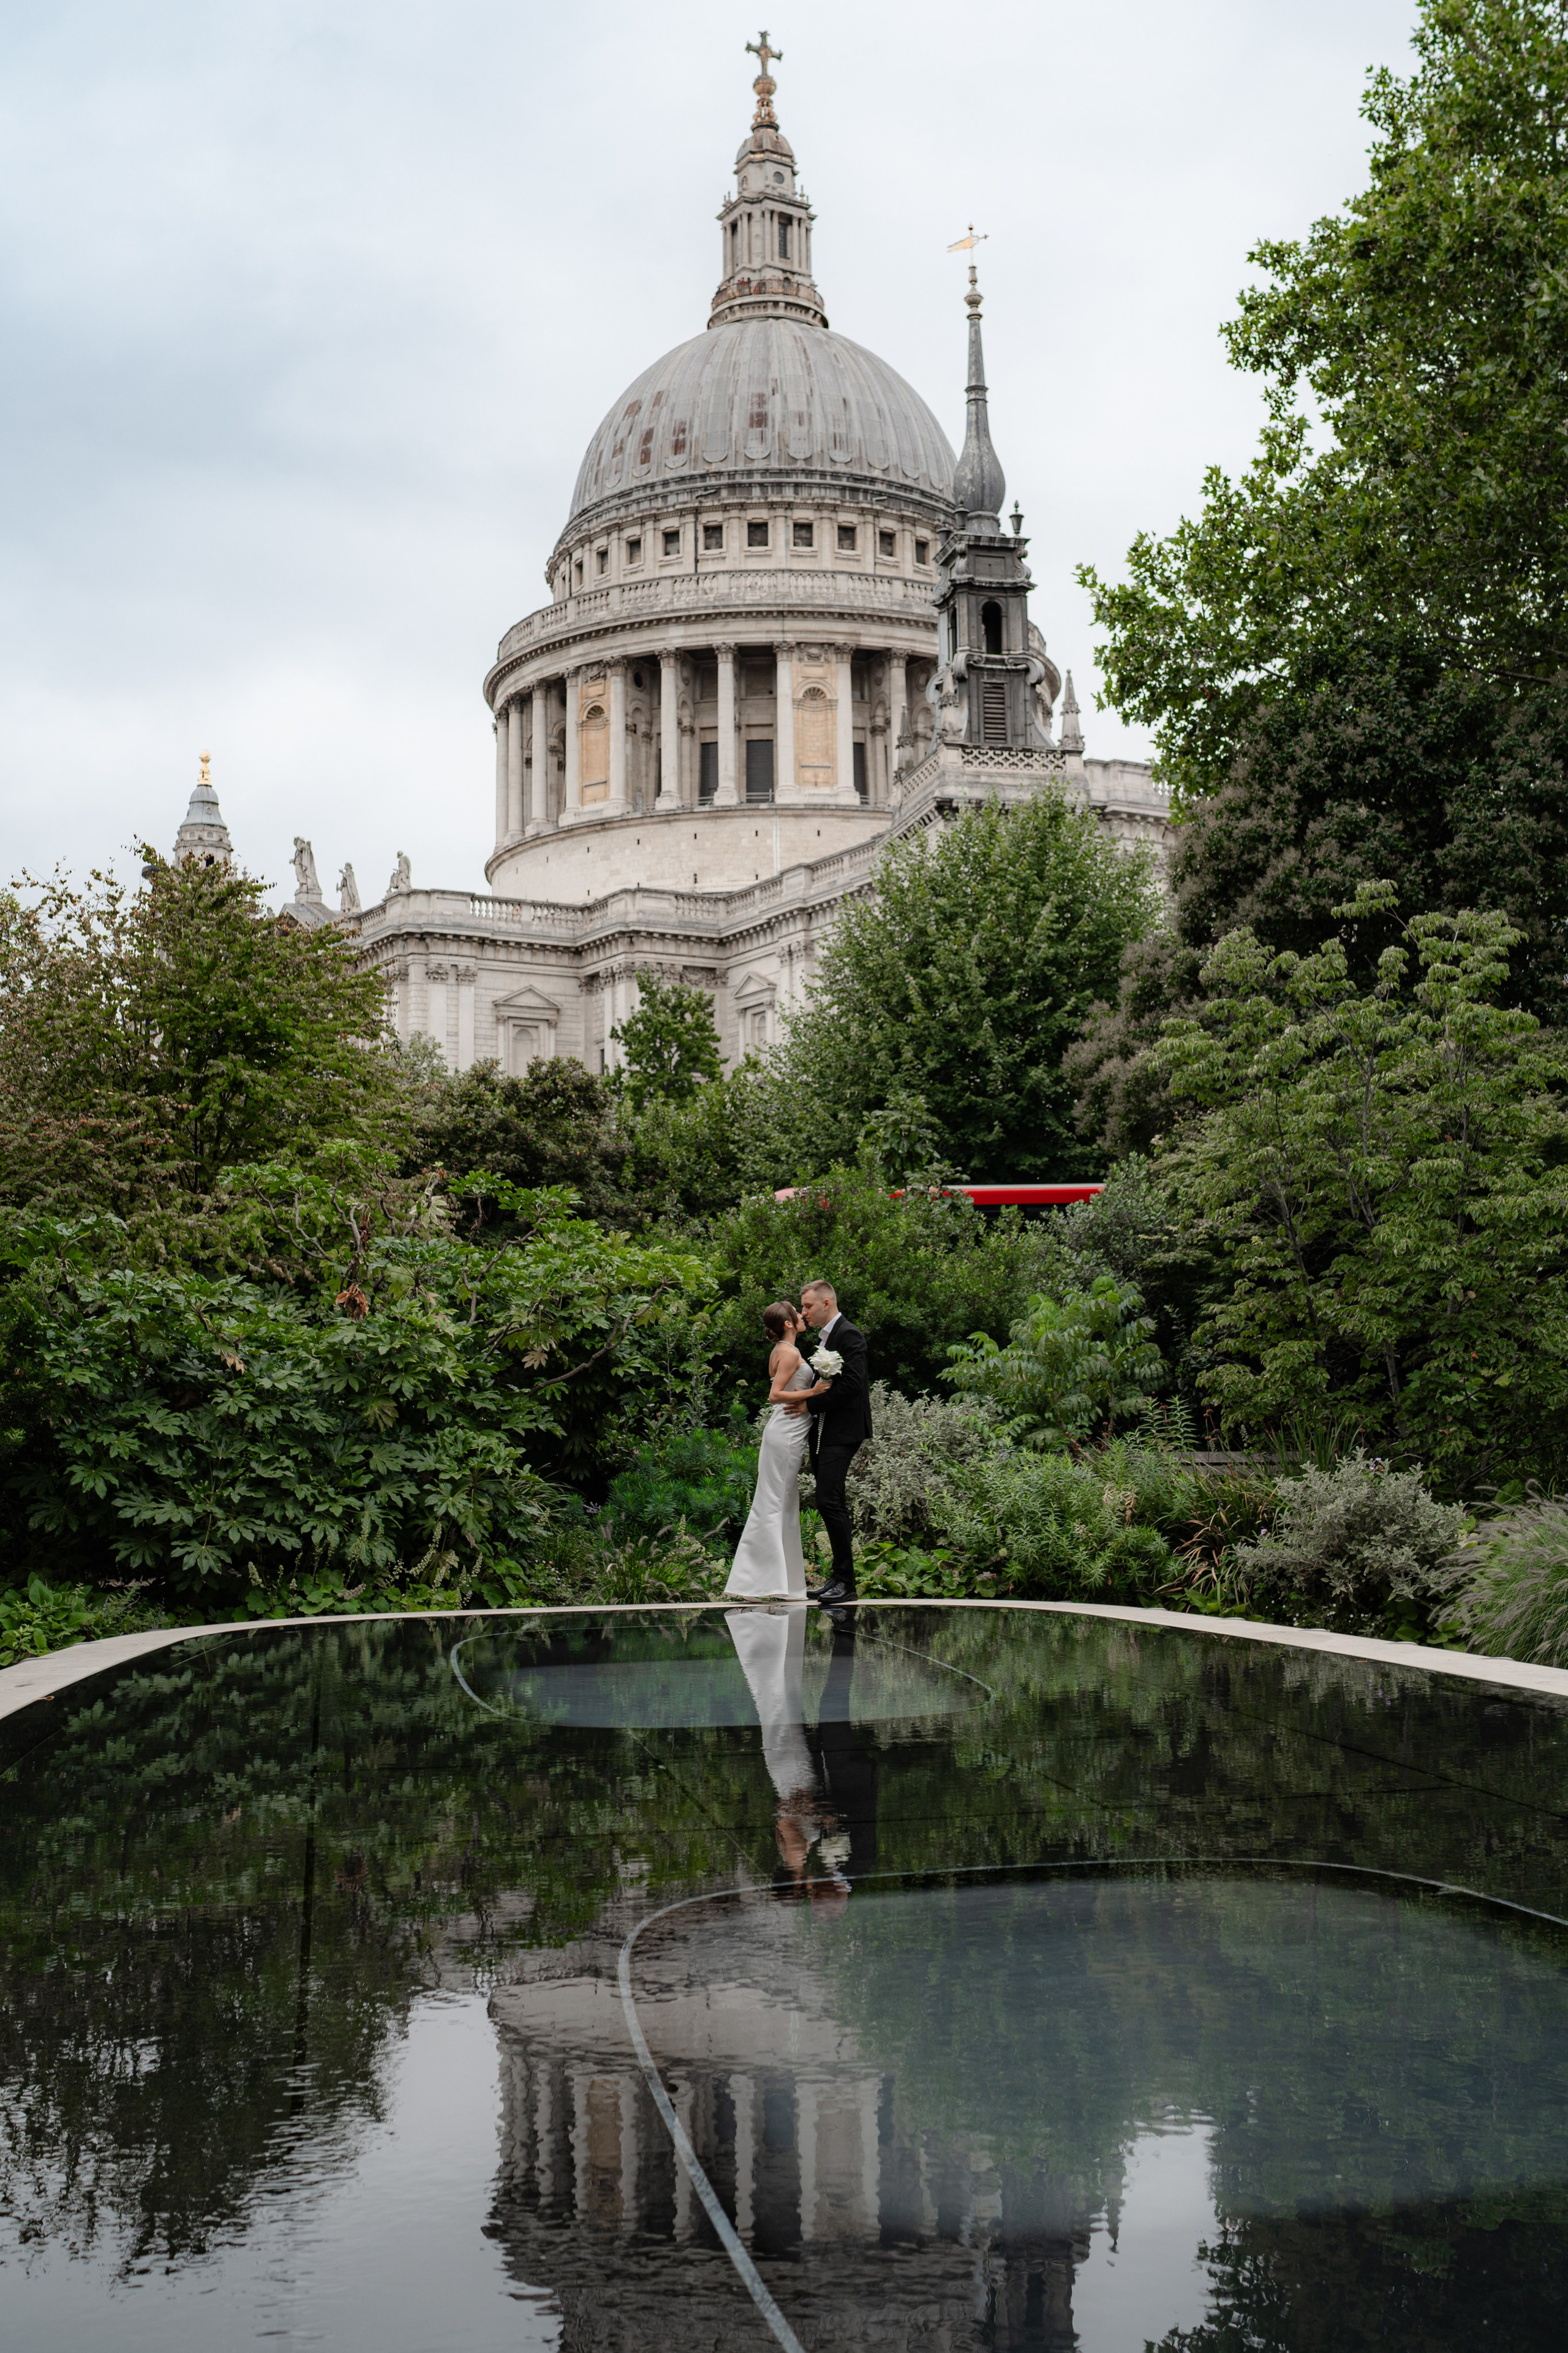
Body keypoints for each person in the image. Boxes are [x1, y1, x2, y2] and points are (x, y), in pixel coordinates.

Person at [723, 1302, 830, 1600]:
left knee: (782, 1503)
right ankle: (755, 1583)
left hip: (788, 1431)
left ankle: (784, 1584)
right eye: (797, 1313)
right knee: (773, 1503)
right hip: (785, 1433)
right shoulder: (789, 1352)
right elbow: (775, 1395)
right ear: (787, 1324)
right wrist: (814, 1392)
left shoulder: (783, 1350)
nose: (802, 1315)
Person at [785, 1278, 872, 1605]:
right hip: (825, 1430)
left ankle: (846, 1583)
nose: (803, 1311)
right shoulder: (827, 1338)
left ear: (826, 1303)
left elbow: (852, 1385)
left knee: (829, 1501)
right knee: (829, 1500)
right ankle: (837, 1578)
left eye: (807, 1306)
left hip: (844, 1431)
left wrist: (810, 1404)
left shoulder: (849, 1335)